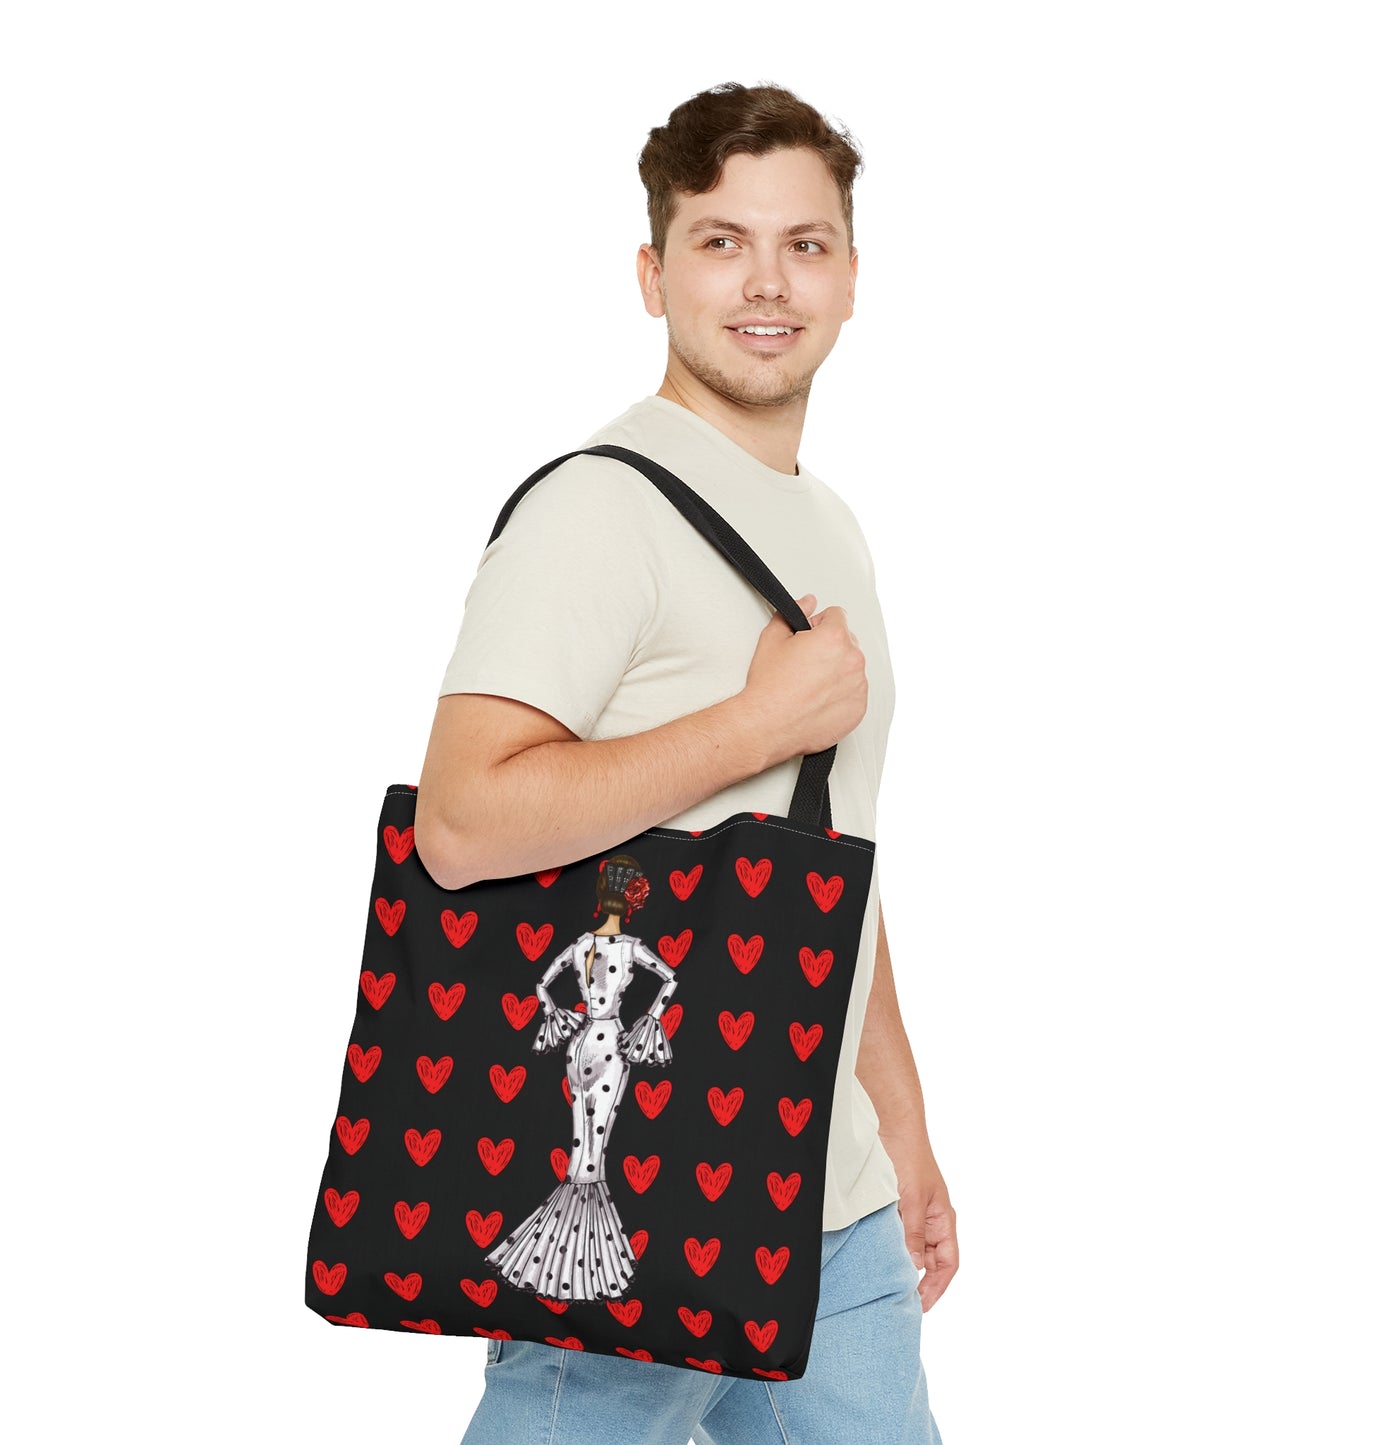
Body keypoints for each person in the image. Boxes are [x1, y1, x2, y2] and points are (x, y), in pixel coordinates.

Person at [416, 80, 954, 1445]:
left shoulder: (827, 523)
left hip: (833, 1219)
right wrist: (749, 725)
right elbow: (464, 825)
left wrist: (902, 1133)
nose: (766, 282)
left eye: (804, 243)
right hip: (641, 1207)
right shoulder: (597, 509)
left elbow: (829, 856)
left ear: (848, 278)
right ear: (652, 275)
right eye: (721, 241)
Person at [487, 855, 678, 1301]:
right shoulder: (631, 947)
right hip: (611, 1040)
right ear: (629, 903)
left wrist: (554, 1012)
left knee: (582, 1142)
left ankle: (556, 1256)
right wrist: (650, 1019)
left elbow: (541, 983)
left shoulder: (577, 946)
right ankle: (588, 1262)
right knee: (596, 1147)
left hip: (579, 1043)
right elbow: (669, 978)